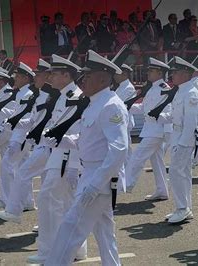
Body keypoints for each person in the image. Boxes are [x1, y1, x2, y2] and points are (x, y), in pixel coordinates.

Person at [45, 50, 127, 265]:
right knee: (105, 233)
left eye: (88, 76)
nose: (82, 80)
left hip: (98, 179)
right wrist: (66, 141)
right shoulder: (95, 102)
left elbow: (119, 150)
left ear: (102, 78)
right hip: (90, 172)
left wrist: (96, 184)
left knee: (69, 229)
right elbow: (93, 142)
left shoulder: (111, 105)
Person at [27, 54, 87, 264]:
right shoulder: (63, 95)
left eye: (54, 73)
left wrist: (74, 160)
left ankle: (49, 250)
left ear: (66, 75)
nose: (50, 76)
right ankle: (76, 249)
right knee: (68, 203)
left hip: (66, 157)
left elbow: (81, 132)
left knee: (48, 201)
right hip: (58, 155)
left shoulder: (77, 96)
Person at [0, 59, 60, 224]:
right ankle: (44, 222)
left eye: (38, 75)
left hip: (49, 144)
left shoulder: (52, 95)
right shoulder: (41, 94)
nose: (34, 78)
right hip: (41, 143)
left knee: (25, 173)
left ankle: (13, 210)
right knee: (46, 188)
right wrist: (15, 121)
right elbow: (34, 117)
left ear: (47, 76)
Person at [157, 56, 198, 224]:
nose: (172, 76)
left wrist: (182, 143)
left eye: (175, 72)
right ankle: (185, 207)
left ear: (185, 74)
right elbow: (178, 115)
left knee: (176, 173)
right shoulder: (181, 90)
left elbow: (190, 123)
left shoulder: (190, 93)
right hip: (178, 134)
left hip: (185, 137)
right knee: (183, 174)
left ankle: (182, 208)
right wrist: (163, 117)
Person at [0, 63, 34, 210]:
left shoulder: (28, 94)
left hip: (22, 136)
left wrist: (10, 119)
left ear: (26, 78)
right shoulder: (20, 93)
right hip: (17, 134)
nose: (15, 79)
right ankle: (27, 202)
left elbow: (29, 116)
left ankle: (6, 200)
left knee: (8, 165)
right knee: (22, 168)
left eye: (18, 77)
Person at [125, 57, 171, 200]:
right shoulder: (152, 88)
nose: (148, 73)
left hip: (156, 131)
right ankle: (162, 190)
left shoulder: (164, 89)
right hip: (150, 130)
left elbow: (169, 110)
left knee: (137, 157)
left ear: (159, 73)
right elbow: (144, 109)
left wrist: (158, 117)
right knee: (157, 162)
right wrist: (126, 107)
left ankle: (124, 186)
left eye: (151, 71)